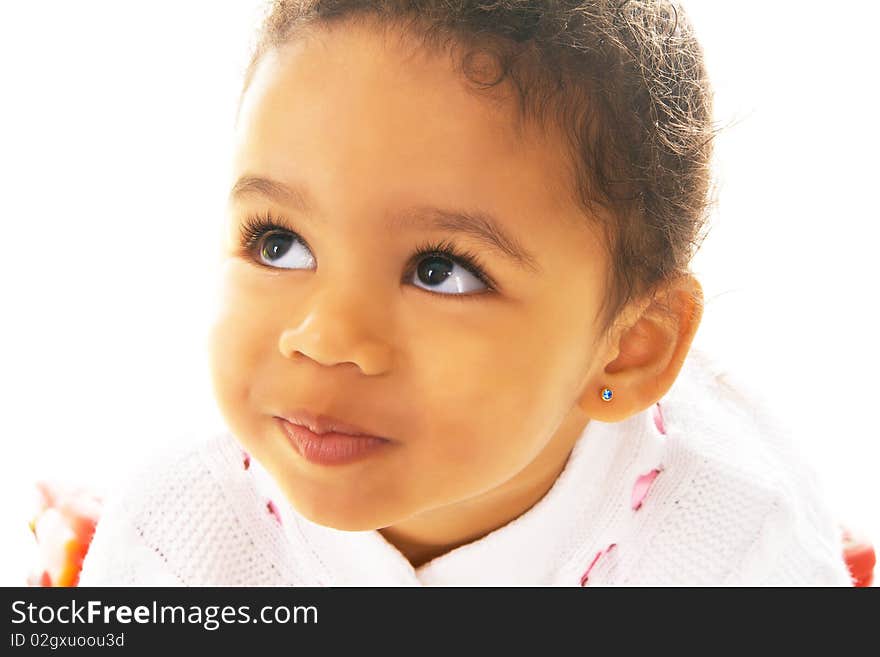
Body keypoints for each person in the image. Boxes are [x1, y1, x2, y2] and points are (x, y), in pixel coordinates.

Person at [76, 0, 854, 586]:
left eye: (441, 269)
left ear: (629, 343)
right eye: (279, 242)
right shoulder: (172, 541)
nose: (324, 334)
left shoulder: (732, 547)